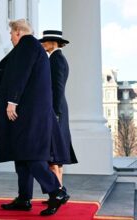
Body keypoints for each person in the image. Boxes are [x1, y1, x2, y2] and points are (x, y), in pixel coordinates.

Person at [0, 19, 66, 216]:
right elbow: (14, 79)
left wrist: (12, 101)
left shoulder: (28, 44)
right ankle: (24, 198)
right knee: (22, 157)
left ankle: (57, 192)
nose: (11, 38)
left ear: (19, 32)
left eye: (12, 34)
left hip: (30, 114)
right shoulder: (30, 48)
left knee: (32, 157)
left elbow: (21, 75)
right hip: (28, 113)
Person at [39, 30, 78, 202]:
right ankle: (59, 189)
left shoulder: (56, 59)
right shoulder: (55, 58)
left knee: (54, 154)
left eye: (44, 41)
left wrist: (54, 112)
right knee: (56, 155)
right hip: (58, 109)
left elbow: (58, 87)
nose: (42, 44)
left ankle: (58, 192)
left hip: (56, 110)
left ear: (53, 43)